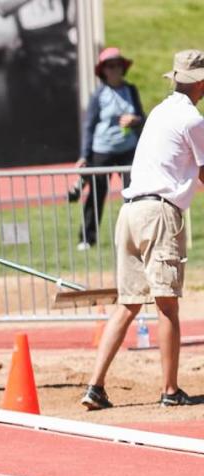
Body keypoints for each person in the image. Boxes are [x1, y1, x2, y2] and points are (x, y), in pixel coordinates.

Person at [80, 50, 204, 411]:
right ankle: (169, 389)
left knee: (127, 305)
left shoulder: (162, 111)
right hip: (158, 214)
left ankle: (95, 386)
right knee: (167, 306)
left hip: (130, 211)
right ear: (199, 83)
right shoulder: (192, 118)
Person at [76, 47, 144, 250]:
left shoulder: (131, 90)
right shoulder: (99, 95)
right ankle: (87, 238)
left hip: (128, 150)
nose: (115, 69)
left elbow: (143, 118)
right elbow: (89, 125)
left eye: (118, 65)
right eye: (110, 66)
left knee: (134, 194)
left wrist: (135, 120)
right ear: (103, 70)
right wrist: (84, 155)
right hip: (102, 151)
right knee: (96, 194)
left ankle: (136, 236)